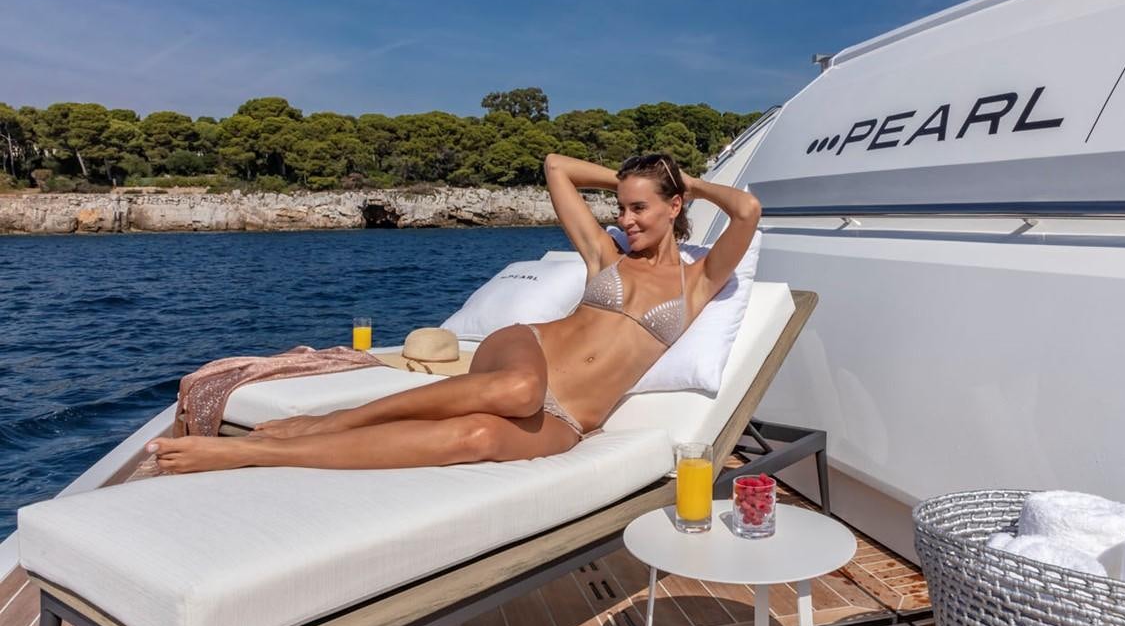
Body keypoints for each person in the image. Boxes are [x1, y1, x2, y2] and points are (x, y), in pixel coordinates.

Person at [146, 152, 761, 473]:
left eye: (640, 209)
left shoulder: (699, 280)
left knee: (476, 438)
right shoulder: (607, 256)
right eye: (621, 206)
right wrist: (637, 177)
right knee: (519, 389)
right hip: (527, 354)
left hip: (574, 416)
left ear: (676, 205)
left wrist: (688, 180)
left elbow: (748, 211)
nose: (625, 219)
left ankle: (265, 451)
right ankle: (326, 422)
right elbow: (556, 167)